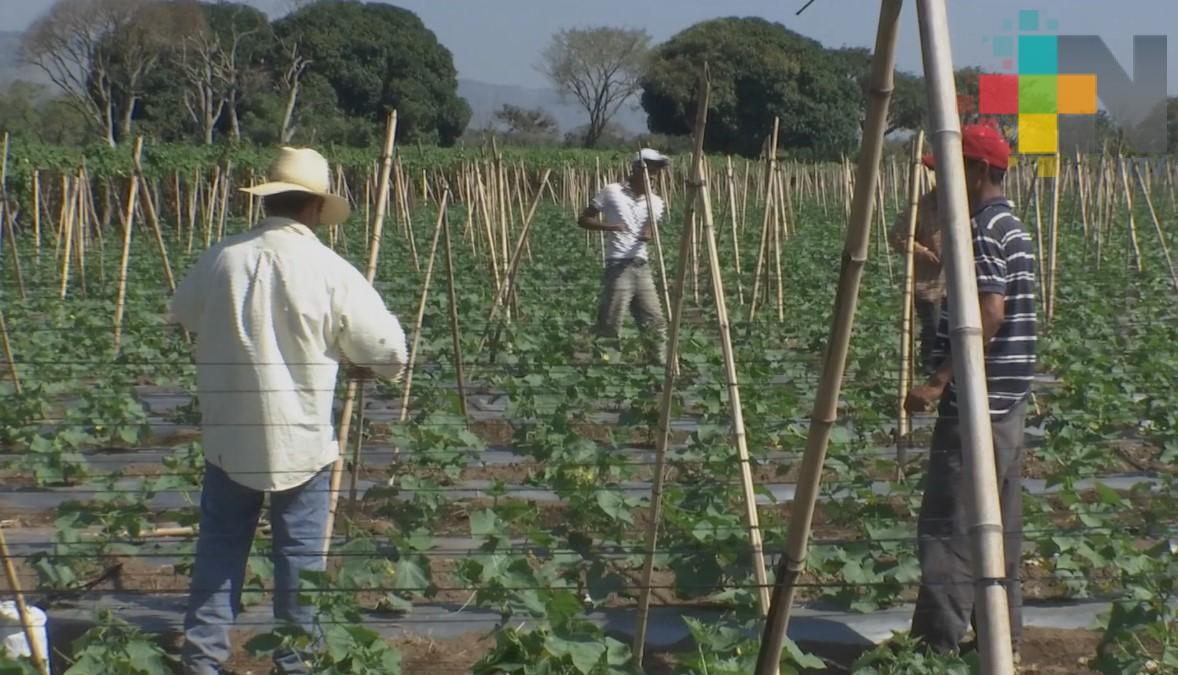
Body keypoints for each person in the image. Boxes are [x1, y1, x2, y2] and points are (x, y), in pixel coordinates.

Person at [171, 146, 408, 675]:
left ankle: (203, 660)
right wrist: (354, 359)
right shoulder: (330, 269)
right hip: (300, 444)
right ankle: (295, 663)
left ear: (267, 201)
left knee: (220, 550)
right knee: (300, 559)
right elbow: (390, 352)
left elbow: (183, 313)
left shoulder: (221, 258)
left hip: (228, 439)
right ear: (317, 209)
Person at [905, 124, 1036, 658]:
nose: (942, 184)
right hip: (1008, 400)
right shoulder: (1012, 225)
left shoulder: (982, 228)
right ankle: (1003, 639)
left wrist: (938, 382)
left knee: (949, 527)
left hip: (977, 402)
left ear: (979, 172)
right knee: (997, 525)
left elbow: (989, 312)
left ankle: (933, 650)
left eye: (951, 171)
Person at [577, 148, 670, 365]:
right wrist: (610, 226)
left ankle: (660, 366)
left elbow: (650, 226)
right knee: (611, 321)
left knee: (655, 320)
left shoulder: (656, 201)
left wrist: (648, 233)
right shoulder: (612, 191)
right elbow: (583, 219)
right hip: (618, 265)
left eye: (657, 171)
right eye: (651, 170)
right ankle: (606, 366)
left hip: (641, 264)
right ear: (636, 168)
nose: (655, 175)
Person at [889, 177, 944, 376]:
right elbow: (897, 235)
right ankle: (928, 369)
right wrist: (921, 251)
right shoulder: (921, 207)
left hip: (955, 285)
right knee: (934, 327)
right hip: (927, 283)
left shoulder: (965, 205)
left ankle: (943, 372)